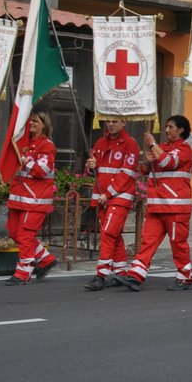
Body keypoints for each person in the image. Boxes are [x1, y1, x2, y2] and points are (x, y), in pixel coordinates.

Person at [120, 114, 192, 291]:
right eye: (166, 126)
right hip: (156, 204)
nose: (167, 130)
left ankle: (186, 276)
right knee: (147, 242)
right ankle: (136, 275)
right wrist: (147, 161)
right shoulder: (161, 148)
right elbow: (145, 170)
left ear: (181, 130)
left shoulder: (185, 149)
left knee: (178, 244)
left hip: (176, 207)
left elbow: (168, 162)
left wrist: (152, 144)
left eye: (171, 127)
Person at [81, 116, 139, 290]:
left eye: (115, 121)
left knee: (107, 234)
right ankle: (121, 273)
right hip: (102, 197)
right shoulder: (100, 143)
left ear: (124, 122)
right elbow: (94, 172)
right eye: (108, 121)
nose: (111, 124)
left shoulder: (130, 144)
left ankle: (101, 274)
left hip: (119, 197)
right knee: (114, 234)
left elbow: (127, 174)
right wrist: (91, 167)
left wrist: (108, 193)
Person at [4, 112, 58, 286]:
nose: (32, 123)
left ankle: (24, 272)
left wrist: (25, 160)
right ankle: (45, 258)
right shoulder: (23, 144)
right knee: (14, 231)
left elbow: (41, 170)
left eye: (36, 121)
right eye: (30, 121)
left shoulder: (47, 145)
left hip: (35, 199)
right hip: (19, 196)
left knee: (25, 235)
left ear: (44, 124)